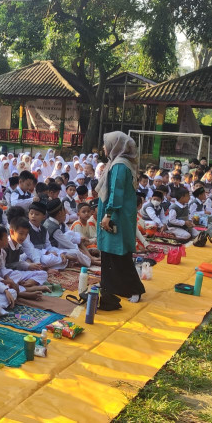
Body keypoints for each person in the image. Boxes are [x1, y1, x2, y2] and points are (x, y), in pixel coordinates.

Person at [95, 131, 146, 310]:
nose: (104, 147)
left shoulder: (119, 165)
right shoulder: (117, 162)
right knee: (109, 252)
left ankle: (134, 288)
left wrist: (108, 214)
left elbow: (116, 193)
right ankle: (110, 286)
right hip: (116, 211)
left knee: (119, 252)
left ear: (115, 145)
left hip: (116, 213)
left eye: (106, 143)